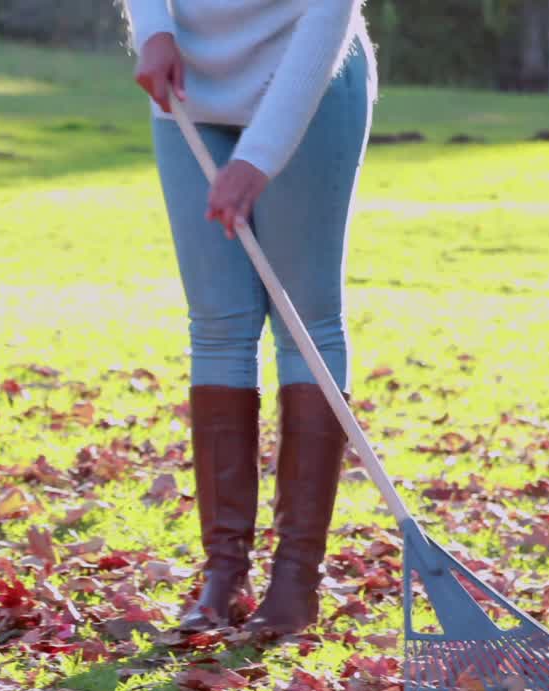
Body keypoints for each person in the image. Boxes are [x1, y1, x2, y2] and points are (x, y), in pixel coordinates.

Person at [122, 0, 377, 637]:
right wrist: (153, 31)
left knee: (305, 321)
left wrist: (256, 159)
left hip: (309, 78)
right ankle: (223, 575)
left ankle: (295, 580)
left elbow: (328, 16)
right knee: (217, 325)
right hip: (190, 85)